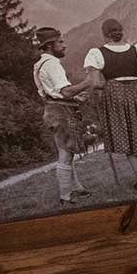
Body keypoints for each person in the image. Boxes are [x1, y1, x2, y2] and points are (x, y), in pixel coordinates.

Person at [83, 17, 137, 190]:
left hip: (115, 98)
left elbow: (95, 84)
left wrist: (112, 85)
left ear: (104, 34)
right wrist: (134, 85)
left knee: (127, 137)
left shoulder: (97, 53)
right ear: (121, 32)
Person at [31, 26, 99, 204]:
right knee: (66, 154)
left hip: (53, 109)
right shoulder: (52, 64)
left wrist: (76, 97)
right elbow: (65, 92)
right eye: (60, 42)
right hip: (61, 112)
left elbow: (50, 93)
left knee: (67, 151)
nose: (64, 45)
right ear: (49, 46)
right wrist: (88, 82)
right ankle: (65, 196)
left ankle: (77, 189)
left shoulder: (39, 64)